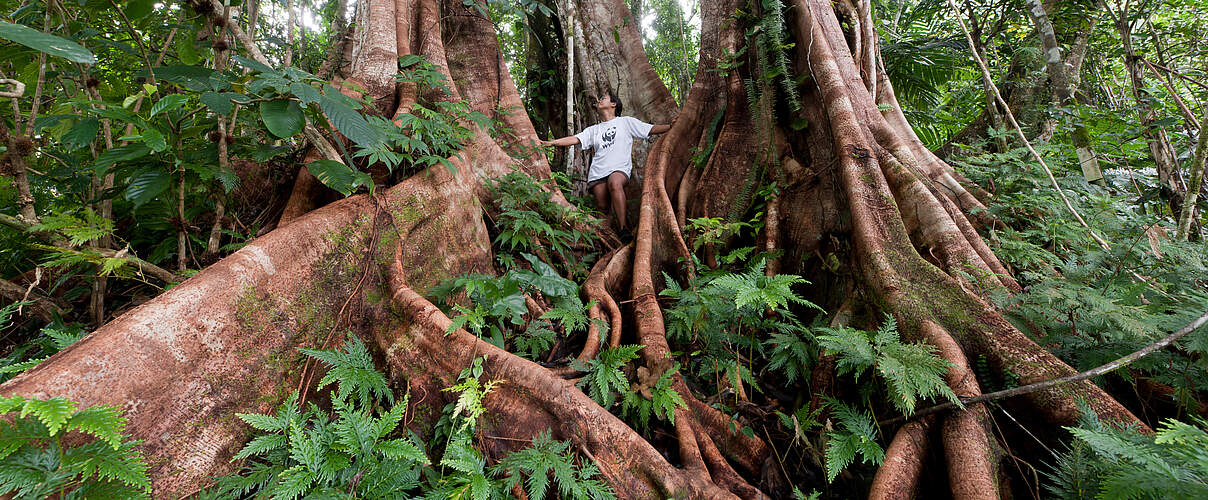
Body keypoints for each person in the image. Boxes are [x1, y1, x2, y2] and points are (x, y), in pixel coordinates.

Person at [539, 90, 675, 233]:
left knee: (615, 183)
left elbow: (649, 129)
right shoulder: (594, 130)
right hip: (598, 171)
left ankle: (623, 228)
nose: (599, 100)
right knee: (603, 208)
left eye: (603, 98)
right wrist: (552, 142)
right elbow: (575, 139)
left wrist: (670, 126)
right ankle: (606, 241)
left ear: (613, 104)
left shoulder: (625, 122)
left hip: (619, 168)